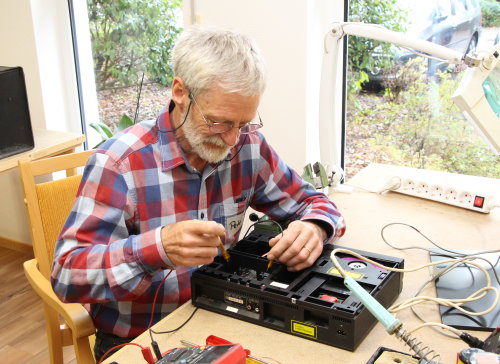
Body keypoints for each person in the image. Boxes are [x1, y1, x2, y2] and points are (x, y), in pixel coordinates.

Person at [51, 26, 345, 360]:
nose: (233, 139)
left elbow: (315, 202)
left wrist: (314, 227)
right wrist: (156, 249)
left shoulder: (249, 147)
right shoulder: (119, 165)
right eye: (219, 122)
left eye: (243, 123)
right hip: (142, 340)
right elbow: (66, 275)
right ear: (180, 91)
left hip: (226, 320)